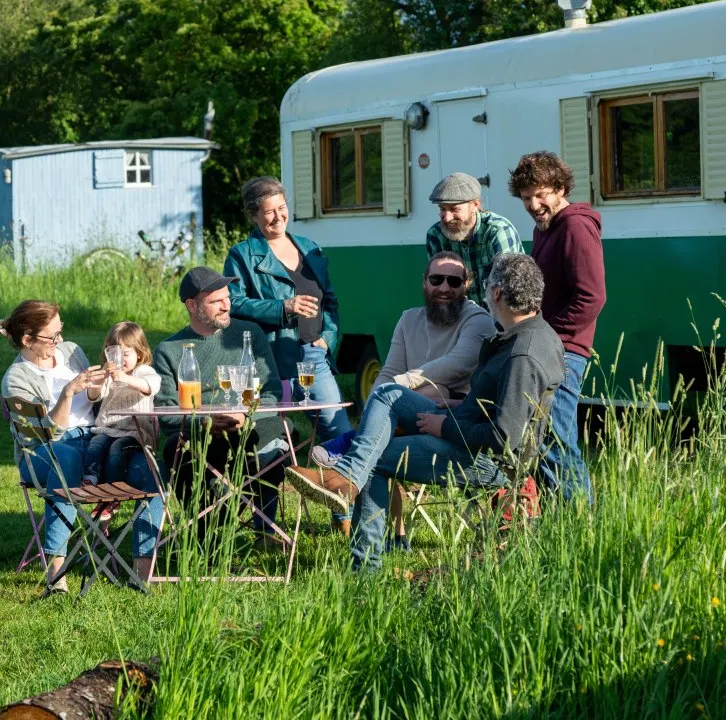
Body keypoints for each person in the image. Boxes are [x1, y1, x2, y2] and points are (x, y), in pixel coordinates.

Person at [287, 253, 564, 571]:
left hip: (487, 460)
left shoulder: (523, 354)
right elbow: (503, 406)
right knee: (390, 393)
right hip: (465, 425)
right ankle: (348, 475)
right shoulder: (529, 335)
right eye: (437, 279)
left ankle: (364, 567)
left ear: (497, 293)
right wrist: (461, 406)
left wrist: (442, 427)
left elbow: (504, 439)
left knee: (375, 458)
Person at [309, 251, 498, 547]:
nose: (445, 288)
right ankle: (382, 550)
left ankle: (348, 459)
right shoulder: (409, 319)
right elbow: (389, 371)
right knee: (381, 433)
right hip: (409, 417)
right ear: (425, 282)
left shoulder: (478, 319)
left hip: (453, 418)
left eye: (454, 281)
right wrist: (386, 396)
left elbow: (458, 363)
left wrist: (399, 388)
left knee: (428, 393)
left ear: (467, 284)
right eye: (437, 279)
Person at [0, 300, 162, 591]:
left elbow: (100, 400)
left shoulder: (71, 351)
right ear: (27, 340)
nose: (59, 340)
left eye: (60, 331)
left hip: (98, 440)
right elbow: (42, 435)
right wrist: (67, 393)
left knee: (150, 470)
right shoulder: (16, 378)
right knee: (67, 460)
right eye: (52, 336)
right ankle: (56, 573)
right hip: (45, 450)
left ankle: (142, 573)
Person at [223, 176, 353, 532]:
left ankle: (345, 516)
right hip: (267, 361)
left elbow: (331, 301)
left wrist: (328, 337)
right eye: (268, 213)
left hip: (313, 358)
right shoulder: (242, 255)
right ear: (254, 216)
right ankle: (266, 524)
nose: (278, 218)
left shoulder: (310, 247)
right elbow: (231, 303)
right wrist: (283, 307)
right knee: (269, 441)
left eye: (282, 209)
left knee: (339, 433)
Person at [151, 266, 287, 547]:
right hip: (199, 434)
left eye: (227, 297)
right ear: (192, 305)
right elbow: (165, 413)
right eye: (216, 301)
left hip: (249, 426)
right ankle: (207, 538)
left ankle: (256, 531)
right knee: (174, 450)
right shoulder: (170, 349)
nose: (227, 305)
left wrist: (245, 414)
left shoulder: (250, 334)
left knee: (277, 442)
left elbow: (272, 393)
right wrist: (202, 422)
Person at [509, 151, 606, 505]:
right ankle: (558, 525)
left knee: (558, 442)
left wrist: (549, 338)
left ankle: (582, 526)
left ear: (561, 188)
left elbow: (592, 297)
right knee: (542, 441)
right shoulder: (544, 229)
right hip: (546, 350)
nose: (534, 205)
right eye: (526, 198)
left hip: (564, 353)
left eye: (541, 194)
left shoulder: (577, 227)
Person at [424, 171, 523, 307]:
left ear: (475, 205)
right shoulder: (435, 235)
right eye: (442, 209)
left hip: (502, 316)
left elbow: (509, 290)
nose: (447, 218)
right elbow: (438, 288)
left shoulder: (497, 231)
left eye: (454, 209)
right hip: (461, 317)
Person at [83, 321, 160, 486]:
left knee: (116, 449)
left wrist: (125, 378)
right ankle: (91, 477)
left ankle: (115, 487)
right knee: (96, 445)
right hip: (108, 428)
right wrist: (101, 378)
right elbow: (93, 396)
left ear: (139, 353)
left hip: (135, 432)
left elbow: (151, 386)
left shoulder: (143, 371)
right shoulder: (109, 375)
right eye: (115, 354)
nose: (120, 360)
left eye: (125, 354)